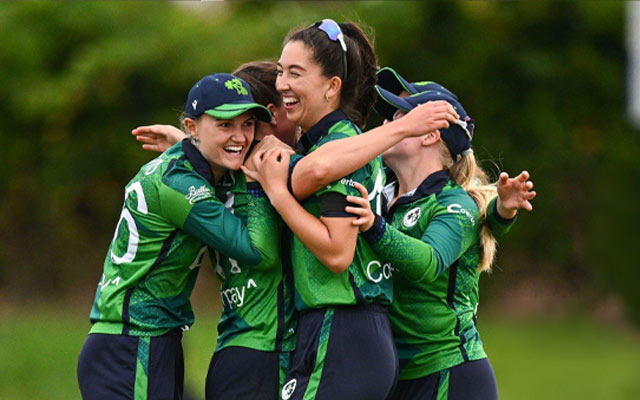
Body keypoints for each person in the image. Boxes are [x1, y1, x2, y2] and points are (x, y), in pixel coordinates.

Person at [131, 60, 459, 400]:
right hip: (259, 354)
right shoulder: (269, 166)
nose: (296, 113)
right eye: (286, 103)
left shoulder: (235, 168)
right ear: (271, 116)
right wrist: (402, 129)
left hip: (277, 348)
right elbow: (318, 171)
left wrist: (192, 143)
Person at [77, 72, 278, 400]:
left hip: (147, 342)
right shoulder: (181, 185)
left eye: (248, 124)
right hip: (133, 343)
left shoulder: (184, 167)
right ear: (192, 126)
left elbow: (196, 162)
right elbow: (258, 252)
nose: (240, 137)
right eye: (225, 125)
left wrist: (189, 143)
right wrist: (258, 183)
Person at [342, 82, 535, 400]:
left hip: (450, 374)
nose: (388, 126)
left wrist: (374, 227)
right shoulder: (382, 195)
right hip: (395, 376)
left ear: (431, 135)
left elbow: (428, 263)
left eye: (401, 117)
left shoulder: (453, 204)